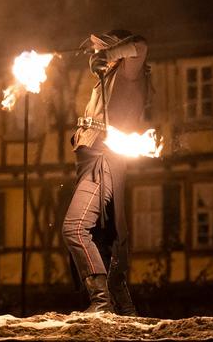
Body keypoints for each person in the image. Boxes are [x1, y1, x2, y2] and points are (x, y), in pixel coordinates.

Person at [62, 30, 151, 315]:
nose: (95, 54)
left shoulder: (128, 73)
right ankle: (125, 311)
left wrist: (109, 56)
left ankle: (101, 304)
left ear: (114, 50)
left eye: (100, 49)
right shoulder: (106, 81)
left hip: (103, 161)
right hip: (92, 161)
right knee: (105, 239)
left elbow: (140, 45)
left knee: (75, 228)